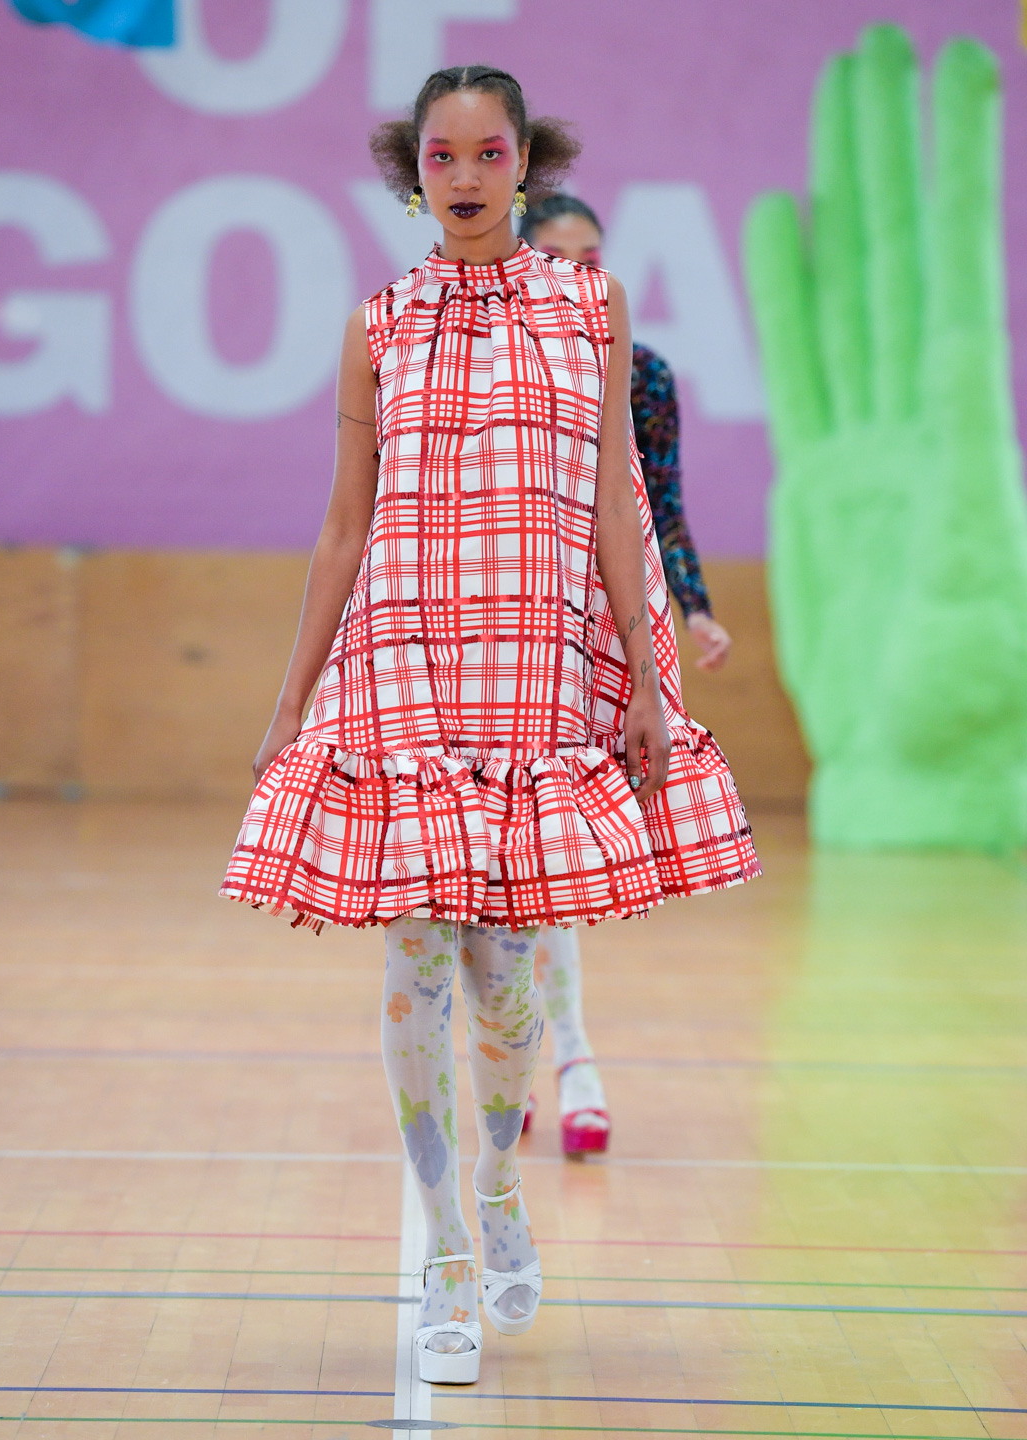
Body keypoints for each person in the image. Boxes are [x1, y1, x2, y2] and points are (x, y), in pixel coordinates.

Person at [221, 66, 759, 1386]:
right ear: (415, 172)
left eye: (489, 152)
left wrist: (645, 675)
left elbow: (616, 505)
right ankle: (447, 1250)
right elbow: (342, 524)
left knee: (507, 985)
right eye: (442, 155)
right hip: (400, 665)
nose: (465, 176)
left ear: (527, 162)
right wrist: (290, 701)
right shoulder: (380, 323)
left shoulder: (590, 308)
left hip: (533, 673)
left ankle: (500, 1182)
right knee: (414, 959)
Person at [517, 192, 732, 1158]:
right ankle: (521, 1054)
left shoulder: (641, 372)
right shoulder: (497, 360)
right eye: (560, 257)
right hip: (512, 625)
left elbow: (660, 502)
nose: (583, 273)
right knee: (508, 862)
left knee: (555, 856)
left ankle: (573, 1061)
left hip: (604, 630)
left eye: (594, 255)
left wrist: (695, 608)